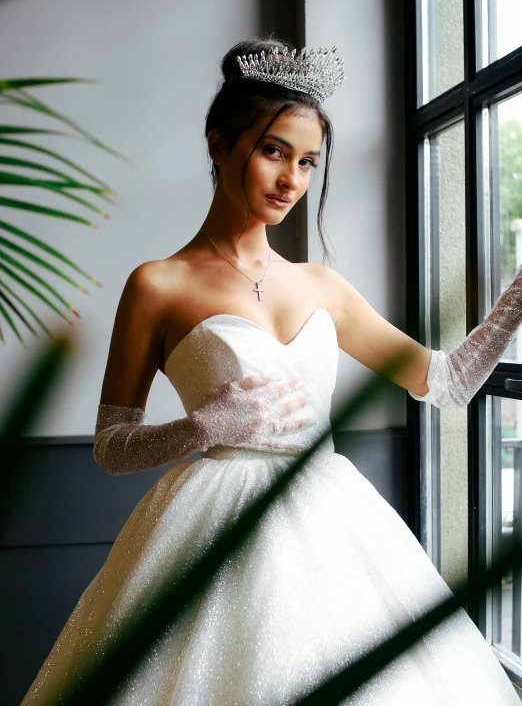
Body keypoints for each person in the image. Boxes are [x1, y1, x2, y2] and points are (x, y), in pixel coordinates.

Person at [21, 38, 522, 705]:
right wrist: (202, 426)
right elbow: (111, 445)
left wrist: (515, 298)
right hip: (210, 538)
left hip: (336, 533)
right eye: (274, 151)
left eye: (309, 161)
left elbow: (448, 381)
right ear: (217, 143)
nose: (292, 179)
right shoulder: (157, 284)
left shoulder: (322, 285)